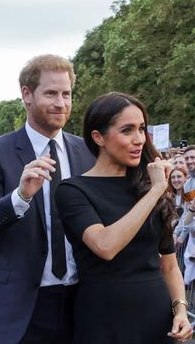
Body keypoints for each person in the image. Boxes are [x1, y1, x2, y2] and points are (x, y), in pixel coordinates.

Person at [0, 54, 94, 343]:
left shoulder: (87, 151)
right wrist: (20, 196)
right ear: (26, 94)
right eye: (51, 93)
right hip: (21, 311)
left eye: (66, 94)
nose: (61, 103)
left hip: (82, 305)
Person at [55, 92, 192, 343]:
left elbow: (170, 266)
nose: (139, 139)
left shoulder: (146, 185)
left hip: (156, 319)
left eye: (141, 129)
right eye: (127, 130)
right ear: (99, 137)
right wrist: (155, 192)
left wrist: (181, 310)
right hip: (103, 320)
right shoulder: (72, 190)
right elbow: (106, 246)